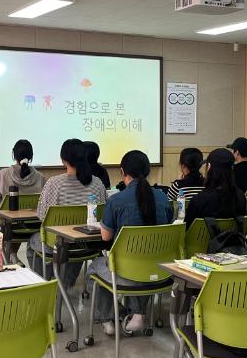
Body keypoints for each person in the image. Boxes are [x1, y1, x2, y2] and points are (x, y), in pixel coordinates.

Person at [88, 151, 172, 335]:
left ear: (122, 172)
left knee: (95, 267)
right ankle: (138, 314)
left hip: (127, 272)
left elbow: (105, 237)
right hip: (159, 271)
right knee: (142, 261)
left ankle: (108, 319)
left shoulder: (116, 200)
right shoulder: (163, 198)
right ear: (148, 171)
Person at [29, 139, 107, 286]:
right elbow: (104, 215)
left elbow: (42, 216)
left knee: (33, 242)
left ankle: (45, 285)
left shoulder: (54, 183)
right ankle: (66, 282)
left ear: (64, 160)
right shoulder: (97, 183)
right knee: (74, 244)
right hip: (88, 245)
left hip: (58, 244)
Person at [184, 149, 246, 228]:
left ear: (209, 168)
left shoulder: (199, 200)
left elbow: (186, 228)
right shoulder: (240, 197)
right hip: (233, 236)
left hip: (202, 236)